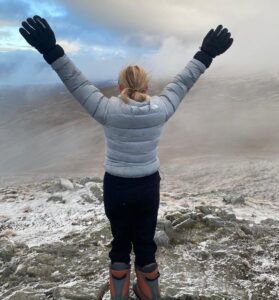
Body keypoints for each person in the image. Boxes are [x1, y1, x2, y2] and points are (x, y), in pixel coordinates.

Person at [19, 15, 233, 300]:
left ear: (120, 88)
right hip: (147, 186)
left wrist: (51, 50)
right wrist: (205, 54)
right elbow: (184, 80)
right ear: (146, 87)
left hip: (116, 186)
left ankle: (119, 295)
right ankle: (148, 293)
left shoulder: (107, 109)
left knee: (120, 242)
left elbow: (76, 82)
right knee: (145, 243)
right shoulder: (161, 108)